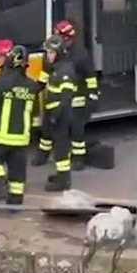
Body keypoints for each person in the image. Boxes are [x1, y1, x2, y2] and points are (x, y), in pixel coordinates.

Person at [0, 41, 41, 205]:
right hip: (21, 139)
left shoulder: (2, 81)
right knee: (17, 172)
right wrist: (31, 134)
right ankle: (15, 201)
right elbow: (34, 113)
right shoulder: (32, 86)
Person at [51, 19, 98, 170]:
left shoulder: (80, 55)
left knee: (77, 130)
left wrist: (92, 96)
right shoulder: (61, 51)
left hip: (78, 97)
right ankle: (66, 155)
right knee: (63, 130)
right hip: (64, 97)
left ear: (66, 38)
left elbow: (90, 77)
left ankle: (79, 158)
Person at [42, 35, 79, 192]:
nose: (48, 56)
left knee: (62, 149)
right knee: (59, 148)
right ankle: (61, 175)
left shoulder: (65, 71)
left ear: (58, 52)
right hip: (57, 115)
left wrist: (55, 116)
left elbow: (66, 98)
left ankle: (63, 181)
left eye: (50, 52)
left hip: (61, 116)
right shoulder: (57, 68)